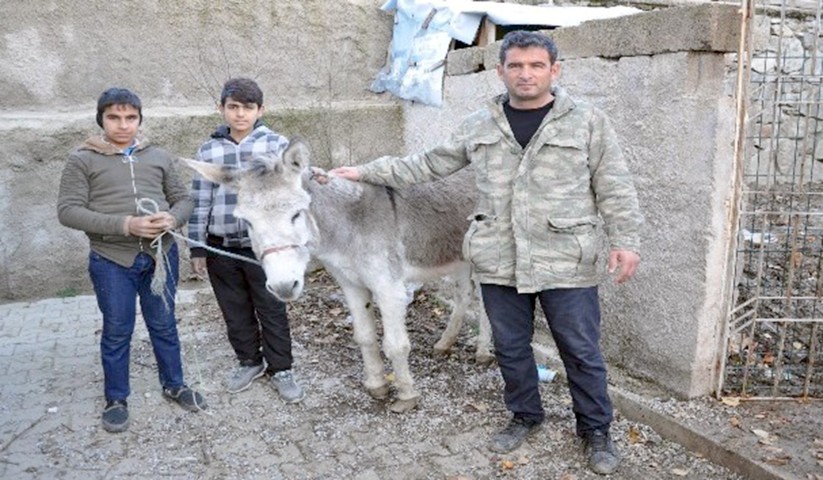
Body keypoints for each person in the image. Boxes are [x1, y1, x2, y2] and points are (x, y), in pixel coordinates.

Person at [329, 31, 643, 475]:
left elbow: (614, 185)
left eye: (536, 65)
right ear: (501, 72)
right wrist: (365, 172)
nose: (526, 74)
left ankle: (595, 430)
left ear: (554, 70)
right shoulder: (481, 123)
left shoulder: (588, 122)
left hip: (565, 258)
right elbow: (427, 164)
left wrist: (626, 240)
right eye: (516, 66)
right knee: (510, 347)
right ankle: (525, 415)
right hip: (499, 258)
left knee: (580, 350)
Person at [57, 87, 207, 433]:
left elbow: (184, 199)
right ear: (101, 120)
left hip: (160, 257)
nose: (123, 125)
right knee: (117, 329)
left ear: (140, 119)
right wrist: (126, 225)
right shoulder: (82, 159)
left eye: (131, 117)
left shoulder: (158, 156)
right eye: (114, 117)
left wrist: (173, 218)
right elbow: (68, 211)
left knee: (164, 324)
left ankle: (175, 384)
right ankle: (116, 399)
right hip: (111, 260)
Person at [187, 77, 305, 403]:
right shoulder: (209, 150)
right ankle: (249, 361)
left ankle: (281, 369)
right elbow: (200, 201)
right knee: (234, 309)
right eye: (233, 107)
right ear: (221, 109)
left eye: (248, 108)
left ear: (260, 110)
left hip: (265, 249)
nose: (240, 114)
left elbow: (293, 189)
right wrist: (197, 246)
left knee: (271, 307)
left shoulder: (277, 145)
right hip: (221, 246)